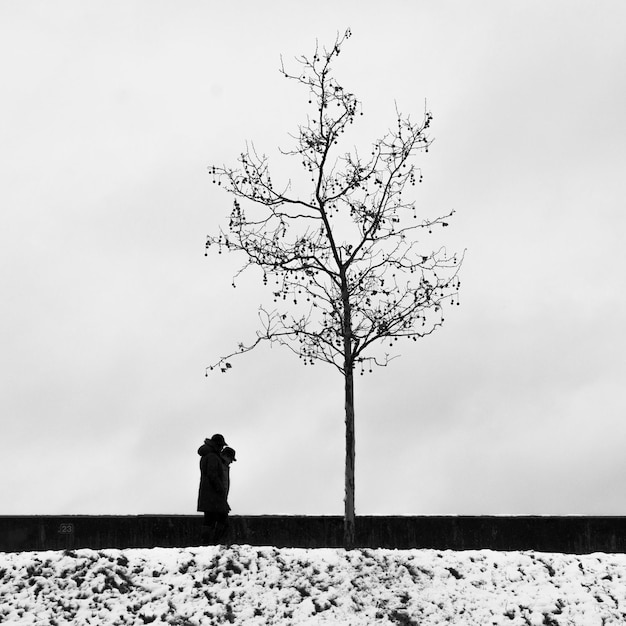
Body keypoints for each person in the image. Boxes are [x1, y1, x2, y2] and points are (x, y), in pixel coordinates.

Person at [197, 433, 230, 544]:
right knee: (222, 518)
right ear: (217, 445)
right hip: (213, 494)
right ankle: (214, 542)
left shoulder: (207, 455)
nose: (222, 448)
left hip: (207, 494)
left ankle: (207, 542)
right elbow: (213, 475)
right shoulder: (212, 457)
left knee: (209, 519)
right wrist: (220, 488)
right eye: (221, 446)